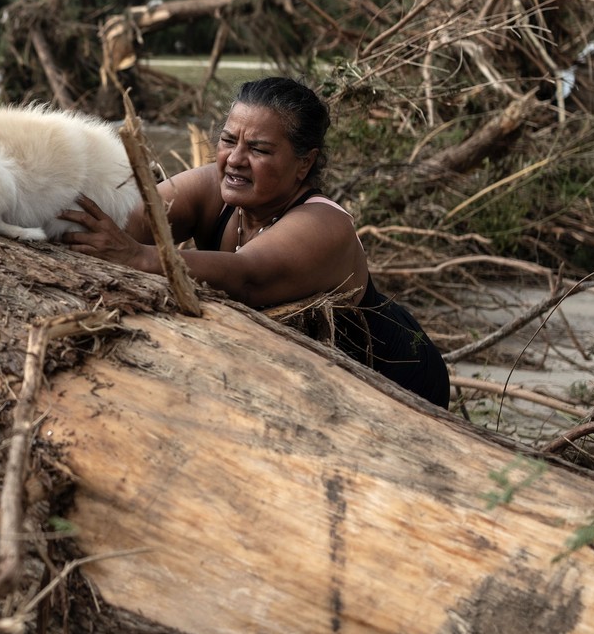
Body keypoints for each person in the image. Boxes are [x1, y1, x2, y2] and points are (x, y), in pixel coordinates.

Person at [59, 76, 450, 407]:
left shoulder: (324, 224)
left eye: (259, 149)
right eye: (229, 140)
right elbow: (132, 215)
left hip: (395, 379)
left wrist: (138, 257)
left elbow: (248, 277)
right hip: (297, 378)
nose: (235, 159)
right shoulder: (216, 187)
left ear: (305, 163)